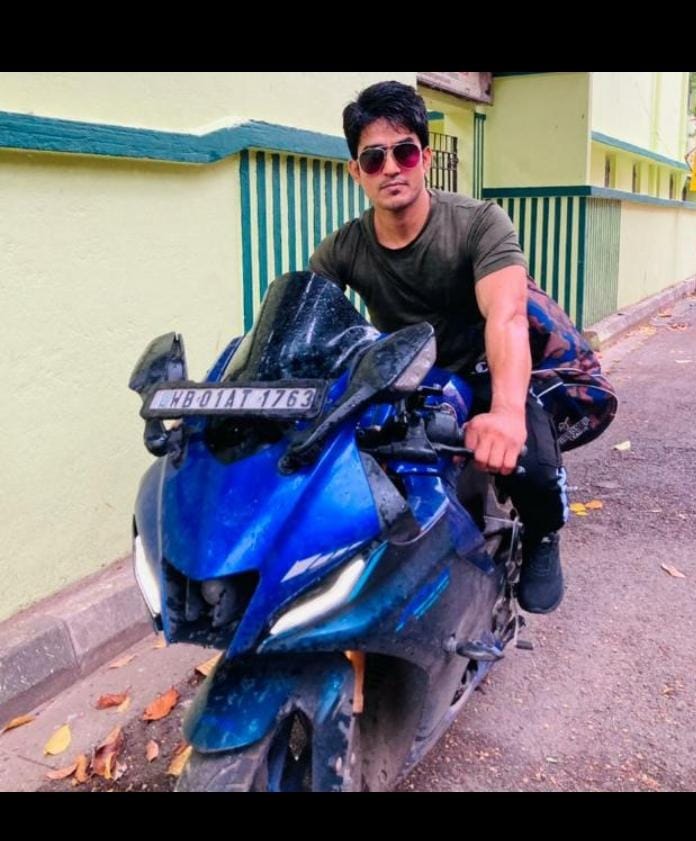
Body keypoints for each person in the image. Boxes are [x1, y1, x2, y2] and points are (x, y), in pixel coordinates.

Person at [309, 80, 616, 613]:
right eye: (374, 158)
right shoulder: (344, 247)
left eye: (405, 152)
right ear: (356, 172)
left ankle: (543, 533)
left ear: (425, 158)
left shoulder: (478, 222)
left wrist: (506, 414)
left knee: (530, 462)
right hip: (408, 377)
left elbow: (507, 317)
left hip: (485, 368)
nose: (391, 168)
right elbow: (307, 320)